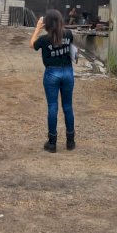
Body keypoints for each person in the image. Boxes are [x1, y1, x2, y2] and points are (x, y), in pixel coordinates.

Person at [30, 9, 76, 153]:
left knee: (52, 106)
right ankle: (70, 141)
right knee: (68, 106)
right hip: (68, 72)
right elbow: (68, 45)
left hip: (52, 73)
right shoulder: (68, 34)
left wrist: (37, 28)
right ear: (61, 21)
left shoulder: (44, 40)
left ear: (47, 24)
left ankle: (52, 142)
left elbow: (32, 44)